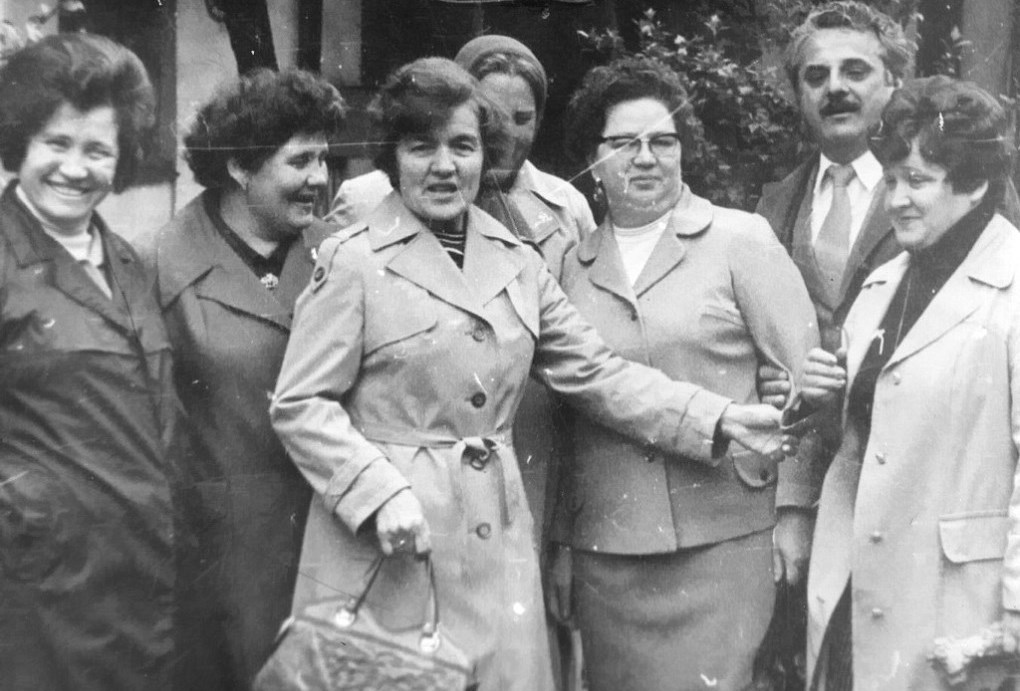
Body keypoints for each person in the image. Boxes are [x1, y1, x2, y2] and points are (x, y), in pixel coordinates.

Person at [269, 57, 791, 691]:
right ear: (392, 158)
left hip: (498, 535)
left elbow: (600, 373)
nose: (444, 166)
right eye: (421, 147)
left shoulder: (517, 261)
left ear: (484, 156)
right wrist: (376, 493)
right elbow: (300, 404)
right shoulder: (351, 261)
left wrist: (720, 417)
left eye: (463, 146)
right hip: (392, 539)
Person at [545, 56, 819, 691]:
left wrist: (794, 512)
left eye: (663, 141)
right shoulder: (568, 267)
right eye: (625, 143)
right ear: (592, 159)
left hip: (728, 537)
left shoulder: (740, 239)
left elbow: (804, 385)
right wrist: (560, 541)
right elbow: (559, 419)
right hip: (606, 549)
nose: (646, 158)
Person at [331, 34, 595, 559]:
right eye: (424, 146)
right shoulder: (361, 216)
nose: (508, 135)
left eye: (524, 118)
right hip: (405, 481)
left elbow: (587, 355)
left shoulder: (551, 221)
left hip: (520, 450)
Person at [795, 75, 1020, 690]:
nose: (896, 199)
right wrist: (825, 398)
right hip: (860, 586)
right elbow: (872, 438)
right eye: (891, 180)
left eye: (917, 180)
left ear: (974, 184)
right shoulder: (883, 284)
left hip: (961, 606)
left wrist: (1017, 611)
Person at [137, 69, 345, 688]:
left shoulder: (343, 253)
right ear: (239, 167)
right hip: (218, 560)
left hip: (333, 544)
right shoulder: (157, 264)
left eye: (323, 159)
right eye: (299, 161)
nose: (319, 179)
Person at [0, 34, 193, 691]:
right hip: (34, 598)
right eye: (56, 143)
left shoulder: (128, 263)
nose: (74, 168)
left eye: (97, 150)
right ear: (20, 142)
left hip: (138, 584)